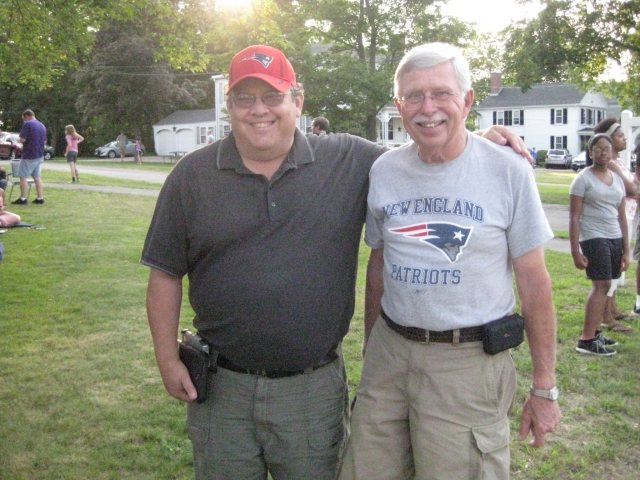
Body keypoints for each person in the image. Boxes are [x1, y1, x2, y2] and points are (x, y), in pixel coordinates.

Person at [141, 44, 533, 480]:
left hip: (312, 392)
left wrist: (477, 139)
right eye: (244, 98)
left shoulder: (348, 160)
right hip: (222, 389)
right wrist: (167, 358)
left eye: (272, 96)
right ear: (229, 105)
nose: (259, 110)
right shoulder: (191, 176)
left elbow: (426, 144)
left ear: (298, 100)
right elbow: (164, 274)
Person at [338, 43, 561, 480]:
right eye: (414, 97)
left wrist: (544, 387)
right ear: (399, 106)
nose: (428, 108)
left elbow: (535, 283)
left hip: (468, 363)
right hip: (389, 355)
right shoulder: (384, 170)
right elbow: (379, 264)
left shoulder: (507, 170)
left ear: (468, 100)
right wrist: (371, 347)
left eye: (441, 93)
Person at [570, 133, 628, 356]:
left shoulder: (617, 180)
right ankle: (586, 340)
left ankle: (595, 333)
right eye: (599, 148)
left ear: (612, 153)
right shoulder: (582, 179)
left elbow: (621, 216)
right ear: (591, 152)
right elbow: (574, 217)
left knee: (607, 285)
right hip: (594, 237)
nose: (604, 152)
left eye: (607, 149)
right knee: (601, 285)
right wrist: (575, 250)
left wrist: (626, 250)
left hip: (615, 237)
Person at [593, 118, 637, 332]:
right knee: (612, 266)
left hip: (626, 216)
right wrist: (635, 187)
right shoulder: (610, 163)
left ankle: (613, 309)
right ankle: (606, 317)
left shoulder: (618, 162)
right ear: (608, 140)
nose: (624, 138)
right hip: (614, 220)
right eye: (620, 135)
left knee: (618, 265)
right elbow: (632, 189)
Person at [12, 109, 47, 205]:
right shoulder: (42, 125)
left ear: (27, 116)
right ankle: (40, 198)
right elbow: (44, 141)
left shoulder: (28, 124)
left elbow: (22, 139)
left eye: (24, 119)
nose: (24, 121)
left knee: (23, 177)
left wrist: (16, 141)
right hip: (39, 155)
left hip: (29, 155)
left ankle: (23, 199)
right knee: (37, 177)